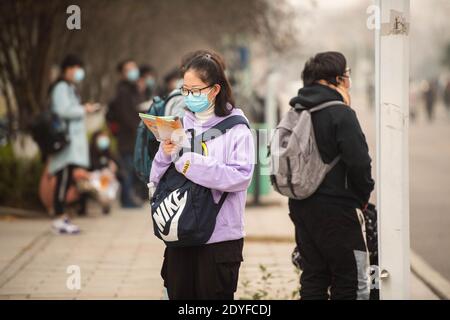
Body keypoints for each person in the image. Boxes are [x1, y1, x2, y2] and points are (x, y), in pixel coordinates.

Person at [149, 50, 255, 300]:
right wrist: (165, 154)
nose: (189, 96)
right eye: (185, 90)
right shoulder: (180, 123)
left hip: (219, 239)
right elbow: (155, 178)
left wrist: (187, 162)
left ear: (215, 89)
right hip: (181, 233)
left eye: (196, 90)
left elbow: (240, 177)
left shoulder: (237, 128)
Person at [288, 51, 375, 300]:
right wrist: (362, 196)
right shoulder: (340, 113)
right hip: (338, 210)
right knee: (349, 279)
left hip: (300, 206)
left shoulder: (295, 111)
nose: (348, 81)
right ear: (335, 79)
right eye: (347, 75)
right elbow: (359, 163)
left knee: (313, 276)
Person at [48, 54, 98, 234]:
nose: (78, 72)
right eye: (76, 68)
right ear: (67, 69)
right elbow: (63, 110)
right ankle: (58, 217)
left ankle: (61, 216)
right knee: (62, 179)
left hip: (70, 143)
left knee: (66, 178)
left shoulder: (68, 87)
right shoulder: (61, 87)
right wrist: (84, 109)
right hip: (64, 142)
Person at [107, 59, 143, 208]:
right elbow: (125, 115)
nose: (133, 71)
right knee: (126, 168)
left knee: (131, 167)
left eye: (134, 67)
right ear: (122, 74)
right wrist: (138, 125)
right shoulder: (123, 91)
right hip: (126, 137)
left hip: (133, 136)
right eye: (129, 69)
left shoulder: (133, 89)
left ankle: (130, 198)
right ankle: (126, 200)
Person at [77, 130, 119, 215]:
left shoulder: (108, 153)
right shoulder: (88, 153)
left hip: (104, 181)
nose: (104, 140)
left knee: (107, 187)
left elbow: (118, 168)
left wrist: (113, 169)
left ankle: (105, 205)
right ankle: (82, 207)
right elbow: (84, 170)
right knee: (83, 185)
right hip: (90, 179)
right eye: (101, 138)